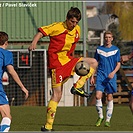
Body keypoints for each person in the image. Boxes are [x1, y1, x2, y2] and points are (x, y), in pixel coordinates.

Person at [28, 7, 98, 131]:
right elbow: (41, 32)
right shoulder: (57, 27)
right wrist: (34, 42)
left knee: (93, 62)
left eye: (76, 22)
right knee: (57, 95)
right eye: (72, 22)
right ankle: (48, 126)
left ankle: (77, 86)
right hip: (57, 65)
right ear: (67, 19)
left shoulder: (77, 29)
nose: (74, 24)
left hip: (69, 60)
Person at [90, 31, 121, 127]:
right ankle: (100, 117)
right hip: (100, 75)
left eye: (109, 37)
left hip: (110, 76)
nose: (108, 39)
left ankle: (108, 120)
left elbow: (118, 64)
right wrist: (92, 76)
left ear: (112, 38)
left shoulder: (116, 50)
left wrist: (113, 73)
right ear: (104, 38)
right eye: (106, 37)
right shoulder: (99, 49)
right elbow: (95, 63)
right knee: (98, 96)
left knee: (109, 97)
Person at [0, 31, 29, 132]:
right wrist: (23, 87)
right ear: (6, 43)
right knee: (6, 116)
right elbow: (11, 71)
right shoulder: (6, 53)